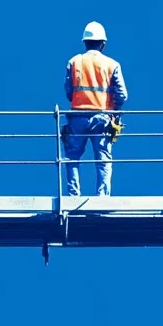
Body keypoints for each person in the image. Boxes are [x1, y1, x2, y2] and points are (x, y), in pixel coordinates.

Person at [63, 21, 128, 196]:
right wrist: (116, 112)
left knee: (72, 157)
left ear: (85, 42)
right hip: (102, 116)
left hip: (77, 116)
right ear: (103, 44)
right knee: (103, 158)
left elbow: (68, 91)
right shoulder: (112, 64)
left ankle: (73, 195)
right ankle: (103, 197)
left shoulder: (74, 62)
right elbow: (122, 95)